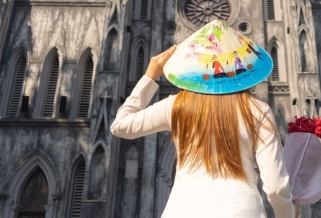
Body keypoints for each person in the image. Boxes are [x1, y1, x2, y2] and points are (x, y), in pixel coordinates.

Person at [110, 45, 297, 217]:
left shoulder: (176, 106)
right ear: (240, 67)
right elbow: (275, 187)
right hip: (241, 210)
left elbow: (120, 126)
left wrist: (150, 76)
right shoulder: (258, 110)